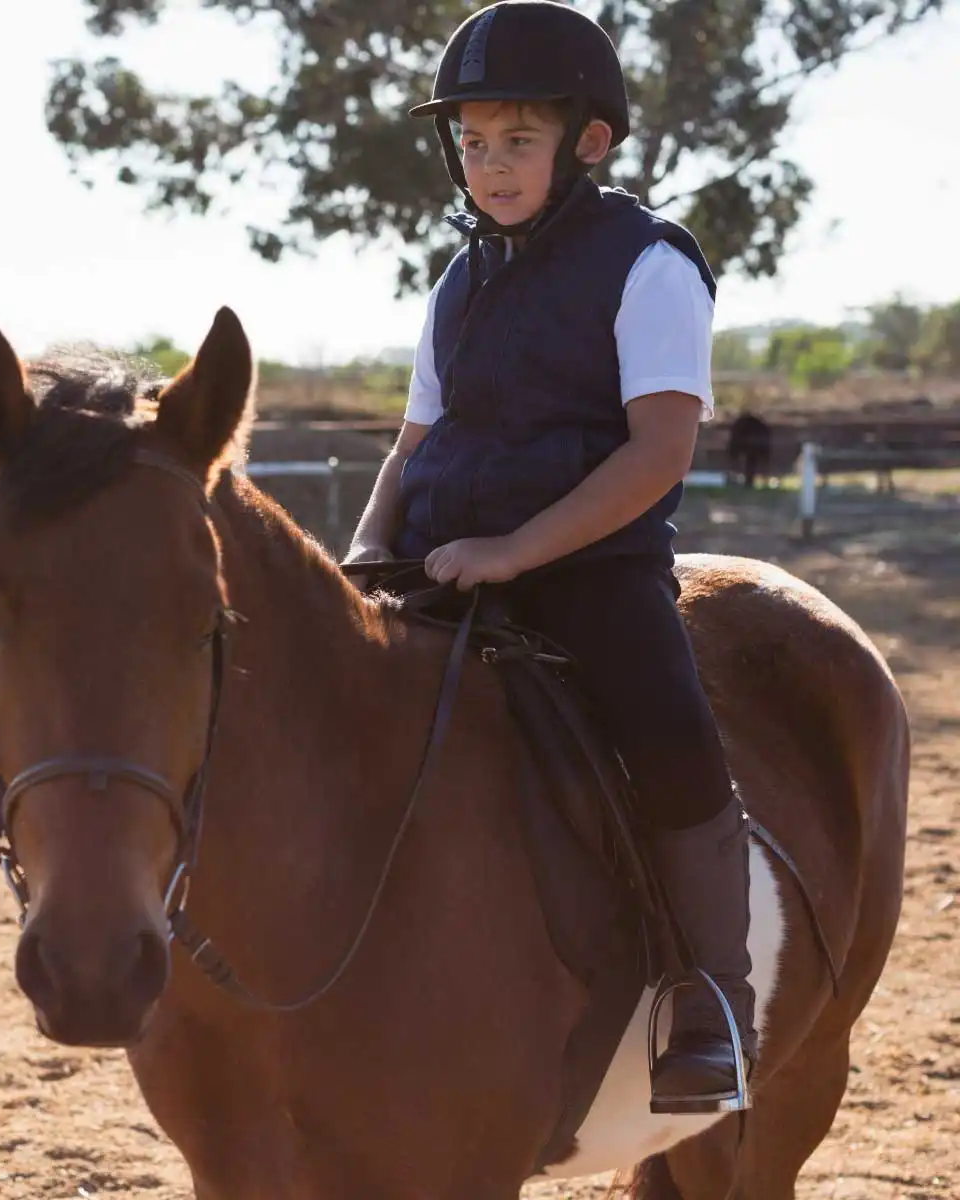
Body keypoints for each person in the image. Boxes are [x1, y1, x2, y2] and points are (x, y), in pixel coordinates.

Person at [343, 1, 755, 1115]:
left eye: (515, 139)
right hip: (439, 561)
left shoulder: (652, 264)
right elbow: (413, 444)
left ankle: (710, 999)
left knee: (669, 730)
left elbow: (661, 450)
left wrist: (521, 549)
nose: (488, 165)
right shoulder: (457, 282)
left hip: (591, 571)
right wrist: (368, 556)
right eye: (472, 143)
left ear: (590, 139)